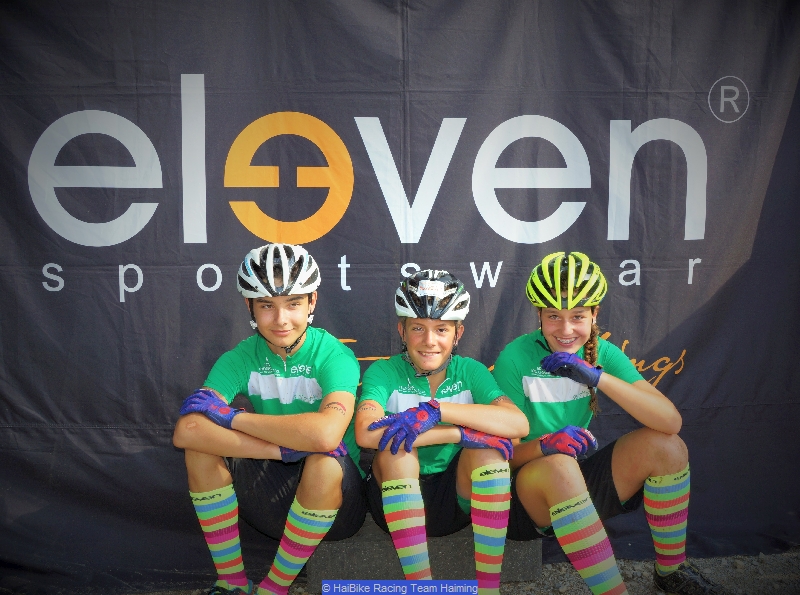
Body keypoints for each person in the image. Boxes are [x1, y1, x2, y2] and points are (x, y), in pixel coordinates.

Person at [492, 251, 728, 595]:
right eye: (554, 316)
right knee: (559, 464)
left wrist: (597, 377)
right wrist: (545, 445)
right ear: (539, 316)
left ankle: (671, 572)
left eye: (578, 316)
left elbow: (670, 421)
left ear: (594, 314)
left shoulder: (602, 351)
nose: (566, 329)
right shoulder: (514, 357)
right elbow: (505, 457)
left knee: (667, 447)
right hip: (524, 499)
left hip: (572, 482)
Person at [173, 243, 365, 595]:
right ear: (249, 306)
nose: (280, 320)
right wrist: (281, 450)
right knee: (199, 449)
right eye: (266, 306)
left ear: (312, 302)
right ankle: (231, 583)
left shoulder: (334, 355)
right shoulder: (240, 357)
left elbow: (326, 435)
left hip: (337, 505)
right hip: (271, 493)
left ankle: (274, 588)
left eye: (293, 304)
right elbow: (188, 430)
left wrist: (233, 419)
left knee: (324, 460)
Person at [355, 269, 529, 595]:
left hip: (454, 500)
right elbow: (365, 434)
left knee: (490, 454)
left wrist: (438, 411)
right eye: (417, 328)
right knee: (398, 453)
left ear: (458, 333)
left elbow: (518, 425)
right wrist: (456, 434)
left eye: (441, 329)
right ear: (401, 331)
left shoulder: (471, 371)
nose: (429, 341)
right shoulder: (384, 371)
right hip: (391, 496)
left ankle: (488, 590)